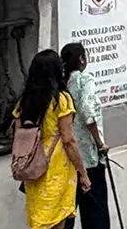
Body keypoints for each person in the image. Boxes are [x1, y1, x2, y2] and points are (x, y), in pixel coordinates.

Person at [16, 50, 92, 229]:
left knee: (40, 219)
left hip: (33, 168)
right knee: (58, 221)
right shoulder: (61, 100)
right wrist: (82, 172)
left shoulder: (23, 102)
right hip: (57, 167)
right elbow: (68, 140)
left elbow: (19, 135)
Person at [63, 43, 111, 229]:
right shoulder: (85, 80)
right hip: (89, 157)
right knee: (95, 212)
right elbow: (88, 113)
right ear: (81, 59)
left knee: (68, 212)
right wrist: (100, 143)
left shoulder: (62, 82)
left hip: (69, 159)